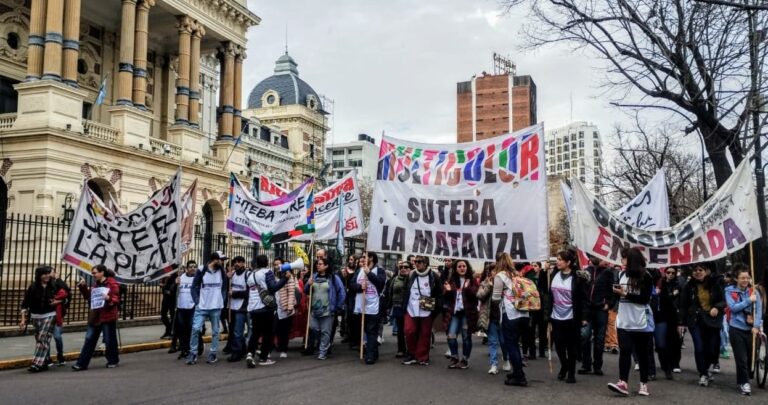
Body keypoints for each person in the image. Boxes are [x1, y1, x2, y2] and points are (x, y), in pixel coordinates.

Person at [607, 247, 654, 397]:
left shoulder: (646, 276)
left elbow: (645, 299)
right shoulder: (621, 274)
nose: (622, 262)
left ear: (632, 260)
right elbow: (618, 296)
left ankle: (644, 384)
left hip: (641, 321)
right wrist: (613, 296)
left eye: (624, 258)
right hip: (624, 320)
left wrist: (625, 294)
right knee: (625, 351)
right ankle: (623, 382)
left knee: (642, 354)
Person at [678, 264, 725, 387]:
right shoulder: (689, 286)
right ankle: (703, 374)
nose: (698, 272)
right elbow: (683, 305)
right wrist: (681, 323)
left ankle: (708, 367)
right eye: (695, 270)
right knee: (699, 347)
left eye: (701, 270)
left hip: (712, 321)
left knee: (712, 348)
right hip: (695, 321)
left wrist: (716, 307)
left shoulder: (715, 284)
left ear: (706, 272)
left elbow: (723, 300)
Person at [548, 249, 589, 384]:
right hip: (556, 316)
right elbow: (547, 293)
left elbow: (583, 298)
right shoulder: (553, 273)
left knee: (571, 346)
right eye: (557, 259)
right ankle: (564, 365)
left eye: (560, 259)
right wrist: (543, 273)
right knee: (559, 345)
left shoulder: (577, 277)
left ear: (568, 262)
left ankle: (571, 373)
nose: (557, 262)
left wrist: (583, 317)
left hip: (572, 317)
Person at [72, 265, 121, 371]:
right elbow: (89, 298)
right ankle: (81, 364)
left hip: (107, 316)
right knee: (89, 339)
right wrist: (83, 287)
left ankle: (113, 360)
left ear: (102, 272)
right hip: (95, 316)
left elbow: (116, 299)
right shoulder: (96, 285)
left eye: (95, 273)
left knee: (109, 340)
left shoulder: (112, 284)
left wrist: (109, 298)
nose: (93, 275)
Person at [493, 253, 531, 387]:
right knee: (516, 344)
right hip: (524, 313)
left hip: (510, 314)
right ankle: (516, 372)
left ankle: (520, 376)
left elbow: (496, 298)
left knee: (512, 345)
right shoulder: (517, 275)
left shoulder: (500, 276)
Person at [725, 264, 763, 396]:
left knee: (750, 358)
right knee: (741, 358)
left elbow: (758, 311)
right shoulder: (729, 291)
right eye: (742, 278)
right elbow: (733, 307)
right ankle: (744, 383)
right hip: (736, 328)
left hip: (751, 330)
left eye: (747, 277)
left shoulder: (754, 291)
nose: (745, 280)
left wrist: (756, 326)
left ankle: (742, 379)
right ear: (736, 279)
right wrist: (748, 300)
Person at [186, 251, 229, 365]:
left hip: (216, 307)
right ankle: (193, 353)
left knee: (215, 331)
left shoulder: (222, 271)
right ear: (215, 259)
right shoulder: (201, 270)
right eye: (221, 260)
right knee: (195, 328)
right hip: (202, 306)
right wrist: (197, 302)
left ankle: (213, 353)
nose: (223, 262)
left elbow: (224, 287)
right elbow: (194, 286)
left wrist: (222, 300)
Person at [246, 254, 288, 367]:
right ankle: (264, 357)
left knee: (255, 332)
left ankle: (250, 353)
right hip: (265, 307)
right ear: (267, 262)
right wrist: (285, 279)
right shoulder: (267, 272)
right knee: (268, 333)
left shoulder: (250, 274)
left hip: (252, 308)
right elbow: (273, 287)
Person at [401, 255, 441, 366]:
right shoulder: (411, 274)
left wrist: (436, 308)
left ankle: (422, 357)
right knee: (409, 330)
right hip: (411, 307)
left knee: (425, 333)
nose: (417, 263)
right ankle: (411, 354)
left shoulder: (434, 276)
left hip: (427, 307)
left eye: (419, 261)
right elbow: (405, 289)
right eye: (415, 261)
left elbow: (439, 293)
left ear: (425, 263)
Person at [350, 252, 387, 364]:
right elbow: (351, 285)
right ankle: (374, 352)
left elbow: (380, 283)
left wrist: (369, 274)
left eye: (365, 257)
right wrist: (360, 287)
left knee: (371, 330)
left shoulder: (379, 271)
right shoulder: (359, 271)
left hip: (374, 306)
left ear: (371, 258)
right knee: (367, 330)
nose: (362, 258)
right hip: (362, 305)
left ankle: (370, 355)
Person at [305, 257, 346, 360]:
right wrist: (308, 284)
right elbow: (306, 291)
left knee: (325, 331)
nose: (318, 265)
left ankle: (322, 352)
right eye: (317, 264)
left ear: (326, 266)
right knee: (314, 329)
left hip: (328, 310)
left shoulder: (333, 278)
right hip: (315, 310)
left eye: (320, 264)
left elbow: (341, 292)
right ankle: (324, 345)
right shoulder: (313, 277)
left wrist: (337, 306)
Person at [578, 256, 613, 376]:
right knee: (584, 336)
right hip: (587, 310)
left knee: (599, 339)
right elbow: (580, 290)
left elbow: (613, 289)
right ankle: (586, 364)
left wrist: (608, 303)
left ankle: (597, 365)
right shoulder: (585, 272)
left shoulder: (607, 272)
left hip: (601, 310)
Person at [19, 266, 58, 373]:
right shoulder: (33, 287)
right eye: (44, 274)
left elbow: (65, 298)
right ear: (39, 275)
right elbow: (25, 304)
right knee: (40, 339)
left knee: (42, 337)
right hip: (35, 316)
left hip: (50, 314)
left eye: (48, 273)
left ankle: (37, 363)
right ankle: (45, 361)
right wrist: (23, 320)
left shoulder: (54, 286)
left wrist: (57, 302)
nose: (47, 276)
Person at [443, 259, 479, 369]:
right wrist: (448, 291)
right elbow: (445, 298)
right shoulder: (451, 280)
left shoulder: (472, 280)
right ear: (455, 268)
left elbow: (475, 297)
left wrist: (468, 289)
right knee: (451, 336)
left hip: (467, 314)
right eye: (459, 266)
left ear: (467, 267)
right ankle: (454, 357)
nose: (462, 268)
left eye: (464, 266)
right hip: (454, 313)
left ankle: (465, 359)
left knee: (466, 337)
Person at [478, 262, 509, 374]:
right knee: (492, 341)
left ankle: (506, 360)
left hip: (503, 317)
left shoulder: (506, 283)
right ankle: (493, 364)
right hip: (490, 318)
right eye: (494, 270)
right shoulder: (485, 283)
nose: (496, 273)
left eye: (498, 270)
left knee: (504, 341)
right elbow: (480, 296)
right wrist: (489, 286)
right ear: (490, 272)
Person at [174, 260, 202, 360]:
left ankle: (196, 347)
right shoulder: (180, 277)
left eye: (195, 266)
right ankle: (184, 349)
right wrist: (175, 283)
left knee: (193, 328)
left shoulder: (198, 278)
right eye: (190, 267)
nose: (193, 268)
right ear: (187, 268)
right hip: (181, 307)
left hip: (193, 307)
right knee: (182, 329)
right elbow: (174, 291)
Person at [658, 267, 683, 377]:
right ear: (665, 273)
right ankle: (666, 365)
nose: (671, 274)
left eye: (673, 272)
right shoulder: (660, 283)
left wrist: (682, 321)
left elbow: (681, 300)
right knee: (663, 342)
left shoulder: (679, 283)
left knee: (676, 340)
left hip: (675, 316)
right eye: (668, 272)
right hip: (662, 315)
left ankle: (675, 363)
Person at [384, 260, 411, 357]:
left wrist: (409, 277)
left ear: (410, 269)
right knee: (400, 330)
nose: (403, 269)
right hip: (398, 307)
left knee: (409, 330)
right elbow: (390, 293)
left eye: (406, 267)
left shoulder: (413, 279)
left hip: (410, 308)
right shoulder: (395, 279)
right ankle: (401, 349)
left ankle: (411, 350)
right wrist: (389, 306)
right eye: (401, 267)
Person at [275, 258, 300, 358]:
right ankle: (279, 346)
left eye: (278, 264)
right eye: (275, 265)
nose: (276, 267)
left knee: (285, 330)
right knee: (276, 329)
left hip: (286, 307)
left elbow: (291, 293)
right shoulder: (274, 276)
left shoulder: (289, 278)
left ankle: (284, 349)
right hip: (276, 307)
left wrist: (290, 307)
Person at [226, 256, 249, 362]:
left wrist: (235, 293)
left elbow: (249, 293)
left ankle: (237, 353)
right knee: (235, 330)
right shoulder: (232, 275)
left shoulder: (247, 275)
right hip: (232, 306)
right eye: (235, 262)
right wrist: (227, 279)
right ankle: (243, 349)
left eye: (239, 262)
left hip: (242, 307)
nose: (236, 264)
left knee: (238, 331)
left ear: (244, 263)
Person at [48, 268, 71, 366]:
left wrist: (58, 279)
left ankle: (60, 355)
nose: (52, 274)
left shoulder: (57, 283)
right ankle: (47, 357)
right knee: (45, 339)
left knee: (57, 337)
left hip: (57, 315)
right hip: (46, 315)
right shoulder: (42, 284)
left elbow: (67, 292)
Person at [159, 271, 178, 340]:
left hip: (172, 298)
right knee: (163, 315)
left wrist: (168, 289)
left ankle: (170, 332)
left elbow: (174, 287)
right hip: (165, 298)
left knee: (173, 315)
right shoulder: (165, 274)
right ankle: (169, 329)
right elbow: (162, 284)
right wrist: (162, 285)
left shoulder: (175, 275)